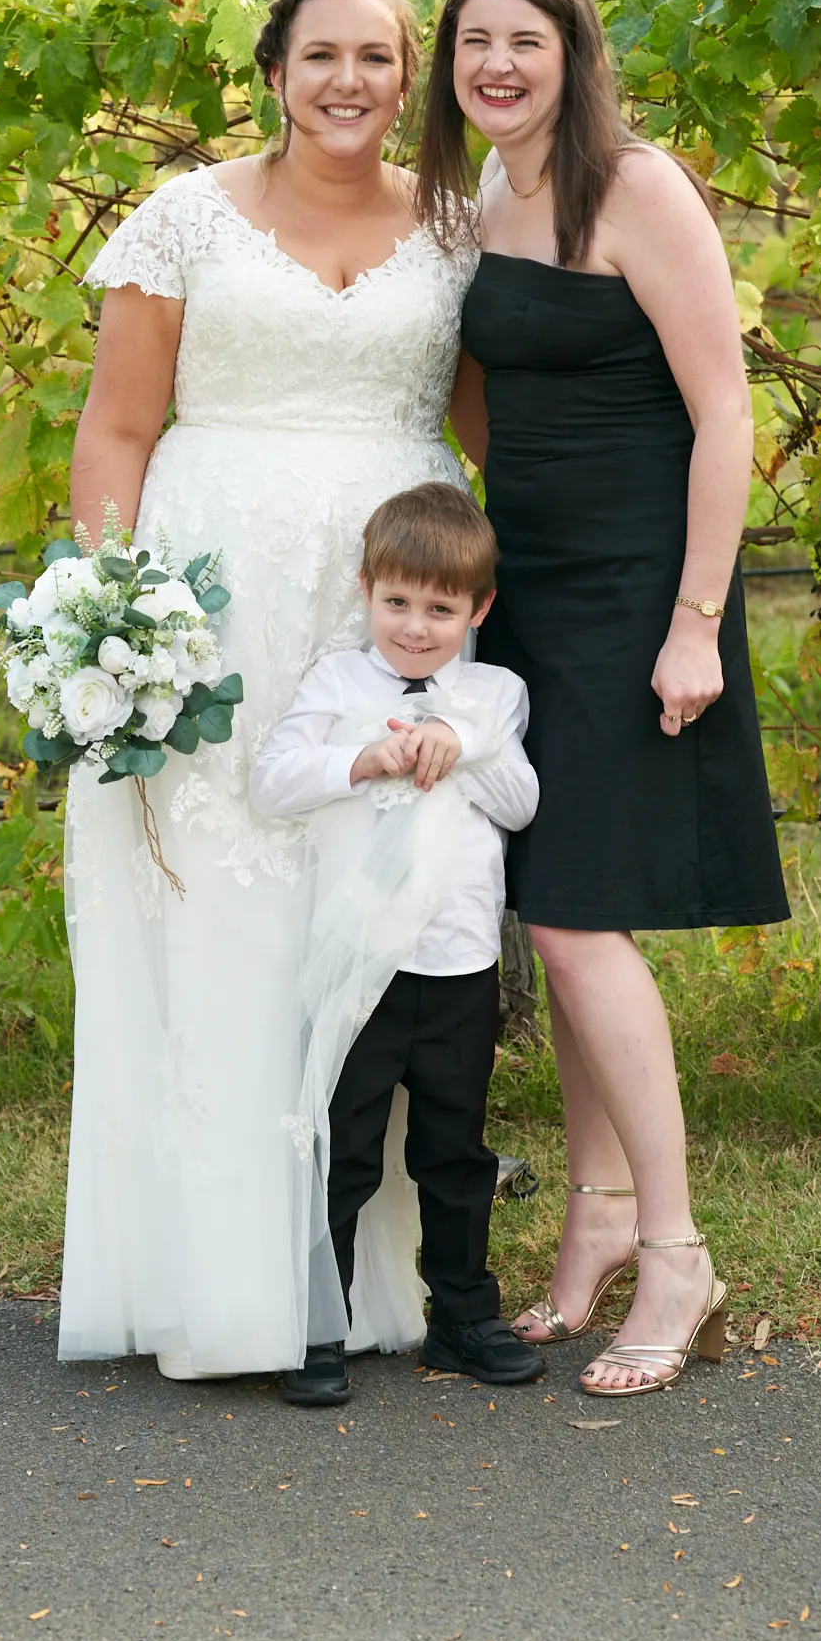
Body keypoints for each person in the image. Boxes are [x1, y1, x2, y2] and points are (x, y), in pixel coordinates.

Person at [58, 0, 478, 1379]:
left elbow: (492, 422)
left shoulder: (458, 226)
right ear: (275, 69)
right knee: (224, 918)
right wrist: (118, 615)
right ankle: (220, 1282)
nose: (348, 81)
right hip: (216, 603)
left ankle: (366, 1279)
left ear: (405, 73)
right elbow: (117, 433)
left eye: (376, 56)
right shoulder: (184, 220)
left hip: (390, 604)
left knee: (375, 909)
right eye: (321, 56)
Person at [418, 0, 790, 1398]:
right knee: (556, 911)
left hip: (643, 593)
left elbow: (726, 413)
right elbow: (479, 412)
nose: (495, 64)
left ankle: (681, 1254)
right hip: (526, 590)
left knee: (579, 928)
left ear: (573, 54)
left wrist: (694, 618)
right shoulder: (476, 205)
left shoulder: (640, 187)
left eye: (524, 39)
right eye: (471, 44)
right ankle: (598, 1229)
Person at [248, 484, 543, 1404]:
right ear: (366, 590)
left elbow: (522, 803)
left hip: (457, 963)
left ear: (477, 610)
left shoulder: (493, 695)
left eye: (441, 609)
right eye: (397, 603)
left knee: (453, 1151)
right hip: (360, 965)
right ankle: (316, 1328)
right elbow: (272, 783)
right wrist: (360, 760)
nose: (416, 628)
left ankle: (462, 1317)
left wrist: (462, 747)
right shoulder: (339, 684)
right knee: (346, 1145)